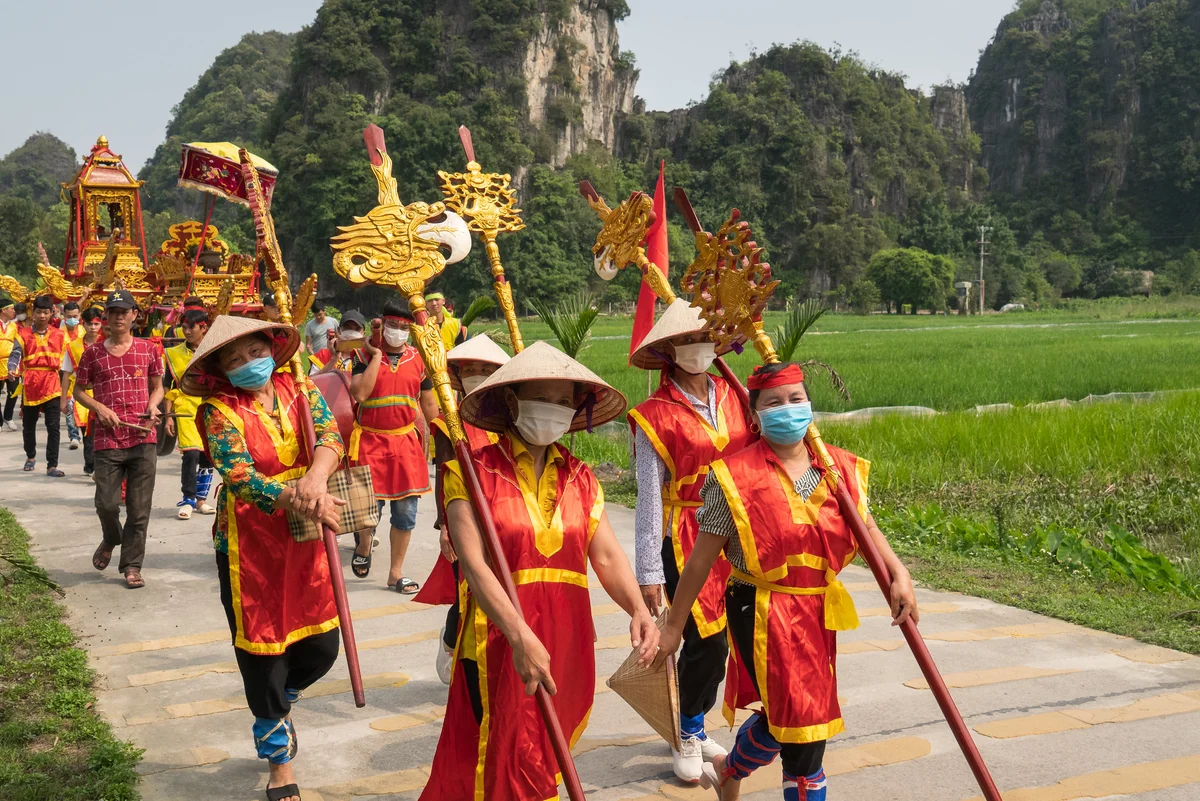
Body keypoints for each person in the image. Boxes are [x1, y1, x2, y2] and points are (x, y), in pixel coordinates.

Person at [653, 362, 919, 801]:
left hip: (816, 608)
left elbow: (866, 525)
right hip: (758, 607)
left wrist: (898, 572)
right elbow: (700, 560)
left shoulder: (835, 467)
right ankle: (780, 780)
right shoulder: (733, 477)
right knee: (803, 732)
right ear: (754, 416)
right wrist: (675, 625)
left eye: (796, 399)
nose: (788, 409)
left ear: (810, 406)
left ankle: (730, 769)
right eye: (774, 402)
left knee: (793, 718)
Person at [419, 341, 659, 801]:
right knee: (507, 760)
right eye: (543, 398)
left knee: (544, 755)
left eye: (564, 401)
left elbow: (606, 556)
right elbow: (473, 565)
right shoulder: (469, 472)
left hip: (566, 639)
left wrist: (638, 609)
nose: (554, 409)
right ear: (512, 401)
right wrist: (519, 636)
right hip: (497, 641)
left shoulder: (582, 478)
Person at [182, 316, 345, 801]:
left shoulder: (300, 387)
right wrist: (299, 497)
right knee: (263, 649)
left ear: (272, 349)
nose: (248, 363)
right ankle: (279, 763)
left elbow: (331, 436)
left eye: (254, 352)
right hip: (249, 544)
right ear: (221, 370)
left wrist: (315, 479)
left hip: (306, 533)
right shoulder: (218, 411)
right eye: (234, 359)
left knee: (322, 646)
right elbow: (239, 477)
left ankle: (278, 704)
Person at [627, 299, 756, 782]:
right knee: (706, 639)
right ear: (669, 350)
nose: (697, 347)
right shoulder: (653, 415)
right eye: (685, 340)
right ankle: (685, 728)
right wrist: (648, 570)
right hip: (685, 532)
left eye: (703, 338)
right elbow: (648, 496)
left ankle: (694, 722)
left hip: (738, 532)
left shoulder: (737, 396)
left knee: (732, 637)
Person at [413, 333, 509, 684]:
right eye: (471, 369)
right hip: (464, 518)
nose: (478, 375)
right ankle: (452, 641)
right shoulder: (447, 423)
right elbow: (445, 476)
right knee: (468, 592)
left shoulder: (509, 418)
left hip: (505, 514)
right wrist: (445, 528)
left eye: (486, 369)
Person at [74, 290, 164, 590]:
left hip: (143, 435)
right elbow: (79, 391)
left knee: (139, 509)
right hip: (107, 439)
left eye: (123, 312)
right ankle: (111, 537)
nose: (118, 317)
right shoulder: (92, 353)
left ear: (134, 315)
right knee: (107, 504)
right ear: (106, 317)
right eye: (112, 312)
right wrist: (99, 408)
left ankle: (132, 566)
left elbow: (158, 387)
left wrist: (154, 406)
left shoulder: (149, 349)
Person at [348, 302, 438, 588]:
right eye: (393, 325)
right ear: (382, 324)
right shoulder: (362, 355)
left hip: (405, 443)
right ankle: (364, 545)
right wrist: (376, 356)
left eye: (404, 327)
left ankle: (395, 572)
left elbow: (429, 405)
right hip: (370, 441)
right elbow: (360, 394)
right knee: (368, 511)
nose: (398, 331)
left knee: (405, 512)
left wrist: (444, 435)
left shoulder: (419, 360)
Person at [165, 309, 216, 519]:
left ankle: (201, 500)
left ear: (203, 328)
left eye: (191, 327)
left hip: (210, 407)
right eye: (183, 327)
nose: (186, 331)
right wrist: (168, 415)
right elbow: (168, 385)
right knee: (191, 454)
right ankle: (188, 499)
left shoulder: (215, 351)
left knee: (207, 456)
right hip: (185, 408)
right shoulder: (174, 354)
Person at [15, 295, 67, 476]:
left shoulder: (60, 335)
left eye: (46, 312)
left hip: (52, 383)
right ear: (33, 313)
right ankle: (30, 456)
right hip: (31, 383)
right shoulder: (23, 334)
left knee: (53, 426)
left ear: (52, 313)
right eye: (39, 312)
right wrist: (12, 367)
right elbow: (16, 353)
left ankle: (52, 465)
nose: (42, 316)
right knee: (28, 425)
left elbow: (67, 364)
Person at [60, 307, 104, 477]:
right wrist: (63, 400)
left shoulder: (107, 343)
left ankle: (98, 465)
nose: (93, 327)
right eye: (89, 324)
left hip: (104, 393)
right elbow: (66, 373)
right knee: (87, 431)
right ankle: (91, 464)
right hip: (83, 394)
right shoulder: (73, 346)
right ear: (83, 324)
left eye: (96, 324)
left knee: (102, 430)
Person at [308, 311, 367, 375]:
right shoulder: (323, 355)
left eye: (357, 329)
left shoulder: (367, 358)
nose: (351, 333)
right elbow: (311, 380)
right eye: (347, 327)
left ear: (363, 334)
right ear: (339, 331)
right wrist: (334, 358)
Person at [59, 301, 84, 450]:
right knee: (68, 404)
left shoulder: (85, 331)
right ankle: (74, 436)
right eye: (69, 317)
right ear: (64, 316)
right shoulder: (59, 333)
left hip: (83, 373)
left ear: (79, 315)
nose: (72, 319)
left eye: (75, 316)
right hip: (65, 371)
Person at [0, 298, 19, 432]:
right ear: (4, 310)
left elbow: (18, 344)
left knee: (14, 391)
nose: (14, 311)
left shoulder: (14, 326)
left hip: (11, 363)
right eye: (11, 308)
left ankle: (8, 417)